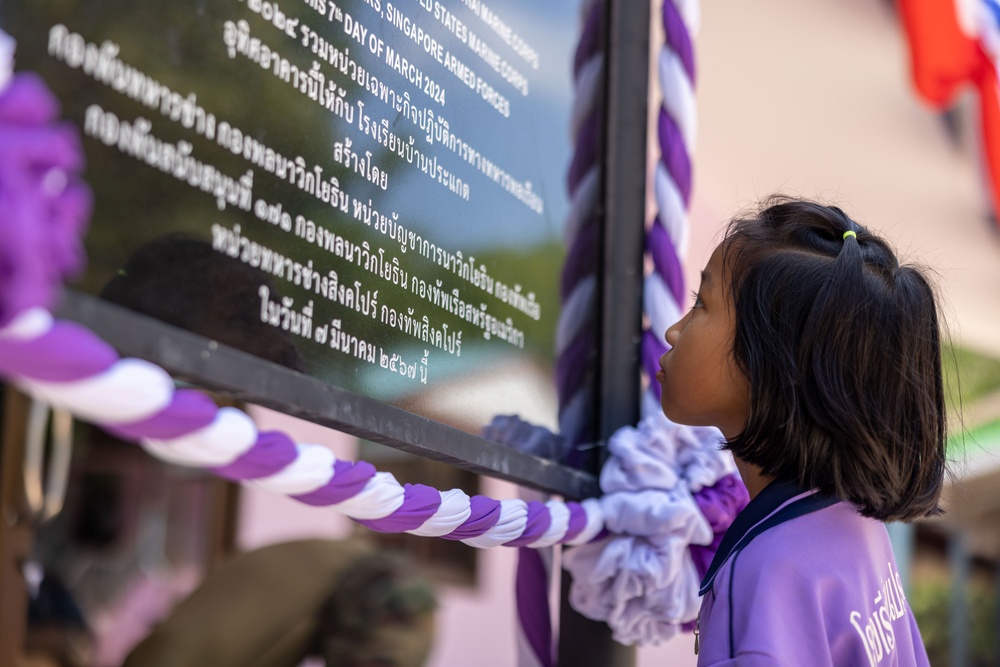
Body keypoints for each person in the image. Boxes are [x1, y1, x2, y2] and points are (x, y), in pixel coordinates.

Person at [657, 197, 944, 666]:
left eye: (701, 305)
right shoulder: (857, 528)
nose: (673, 332)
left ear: (771, 365)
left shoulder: (769, 573)